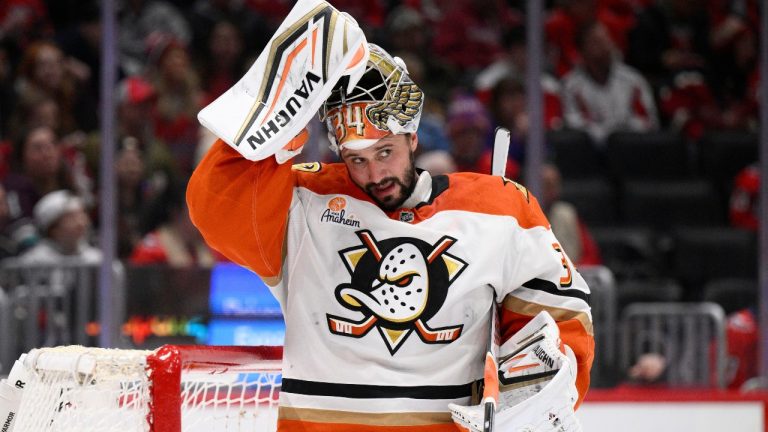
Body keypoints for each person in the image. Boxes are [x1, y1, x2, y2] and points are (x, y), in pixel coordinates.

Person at [188, 43, 593, 431]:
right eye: (357, 160)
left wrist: (532, 394)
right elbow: (213, 208)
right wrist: (285, 99)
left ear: (413, 137)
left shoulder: (499, 210)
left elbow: (562, 326)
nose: (375, 175)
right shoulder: (302, 203)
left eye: (385, 152)